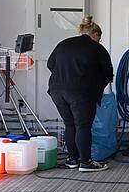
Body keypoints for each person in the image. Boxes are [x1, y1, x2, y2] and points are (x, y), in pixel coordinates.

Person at [47, 15, 113, 172]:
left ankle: (72, 160)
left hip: (57, 91)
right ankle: (86, 162)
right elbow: (108, 73)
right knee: (83, 126)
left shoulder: (63, 44)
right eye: (99, 38)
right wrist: (96, 85)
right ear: (95, 35)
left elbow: (50, 65)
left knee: (70, 124)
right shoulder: (97, 48)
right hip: (81, 92)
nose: (99, 41)